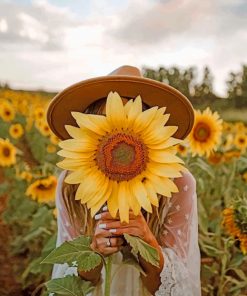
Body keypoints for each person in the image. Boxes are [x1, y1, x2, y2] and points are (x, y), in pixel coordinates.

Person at [46, 65, 201, 296]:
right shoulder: (72, 184)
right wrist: (93, 253)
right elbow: (78, 284)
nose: (122, 156)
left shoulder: (177, 183)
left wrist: (147, 241)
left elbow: (171, 287)